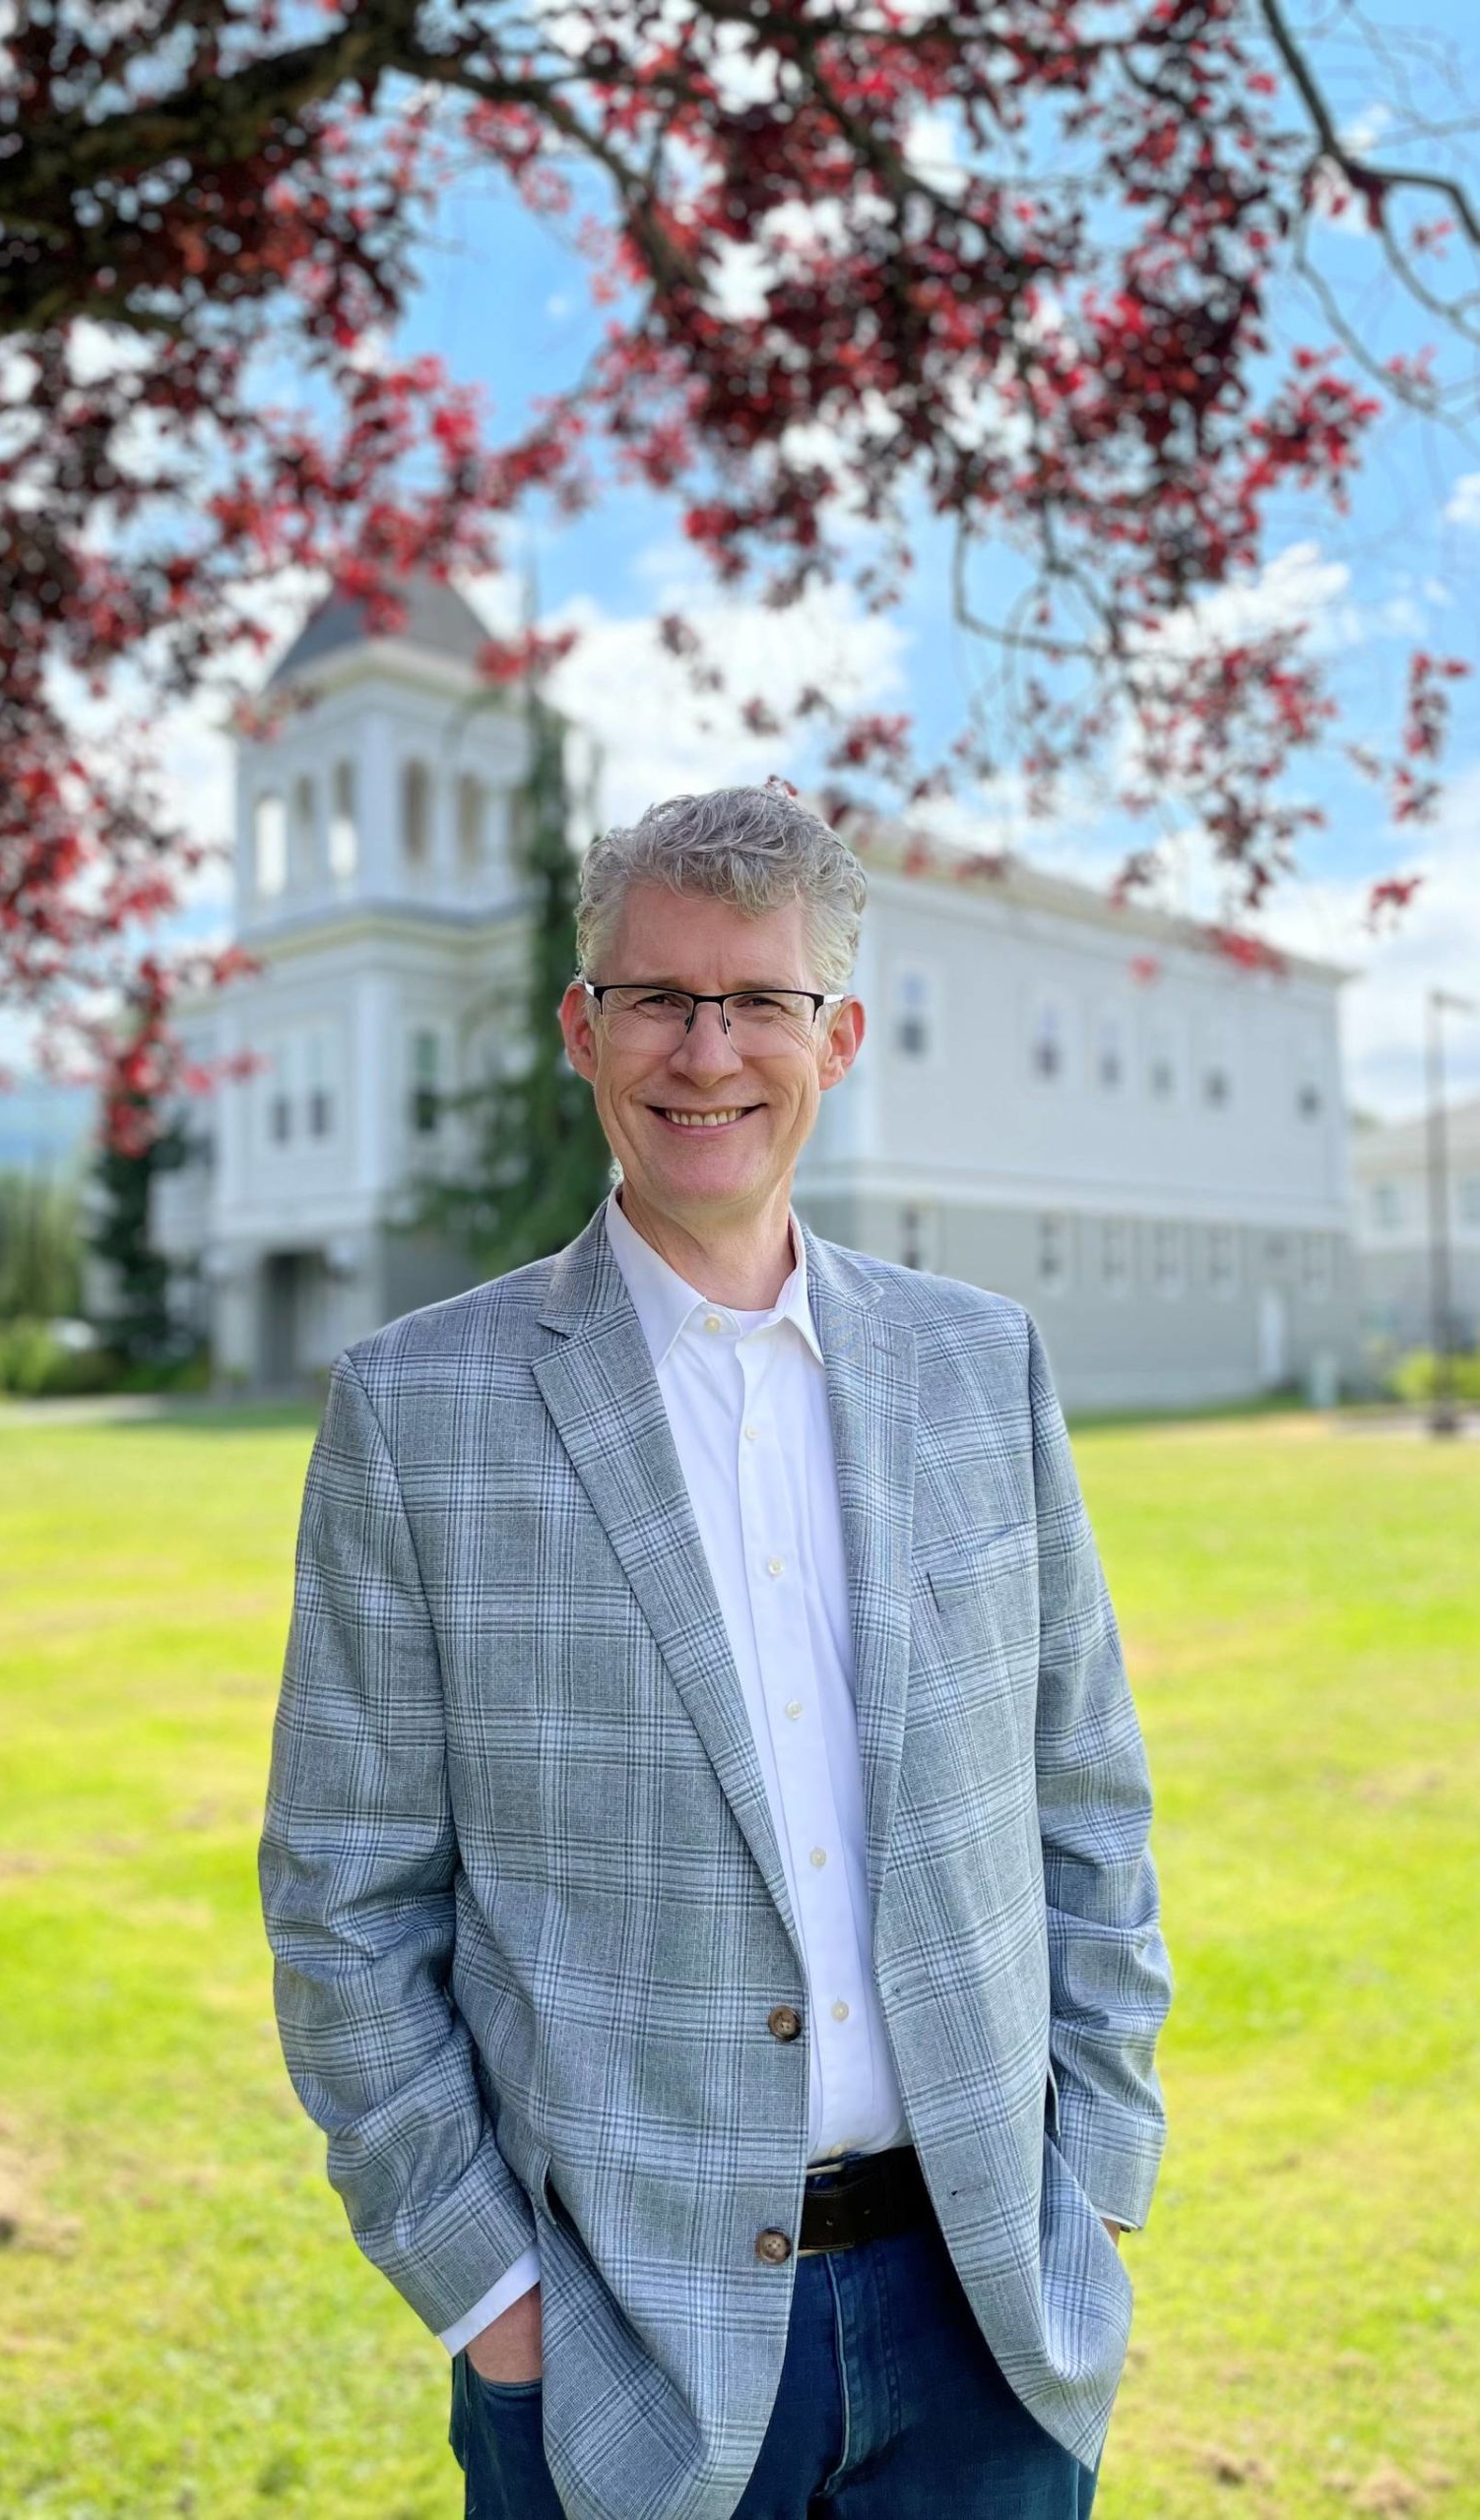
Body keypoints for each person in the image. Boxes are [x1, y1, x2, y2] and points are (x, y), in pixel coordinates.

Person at [260, 784, 1173, 2520]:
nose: (706, 1051)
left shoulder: (985, 1367)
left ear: (835, 1032)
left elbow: (1086, 1802)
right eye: (659, 998)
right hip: (616, 2345)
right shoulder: (418, 1409)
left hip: (990, 2311)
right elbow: (346, 1897)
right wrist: (494, 2301)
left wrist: (1099, 2176)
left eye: (756, 999)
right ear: (581, 1029)